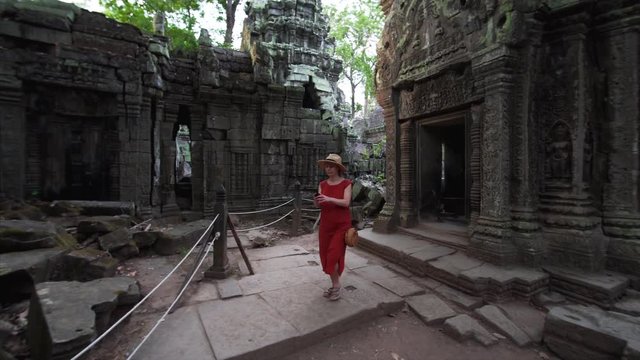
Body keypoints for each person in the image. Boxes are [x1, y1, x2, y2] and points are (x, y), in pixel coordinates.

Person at [314, 153, 352, 301]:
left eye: (331, 167)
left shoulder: (346, 183)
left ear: (338, 168)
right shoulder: (322, 184)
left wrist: (329, 198)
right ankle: (334, 284)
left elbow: (346, 203)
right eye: (326, 167)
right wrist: (317, 201)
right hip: (326, 225)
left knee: (333, 255)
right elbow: (319, 205)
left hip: (341, 225)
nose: (328, 169)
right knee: (325, 255)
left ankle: (336, 286)